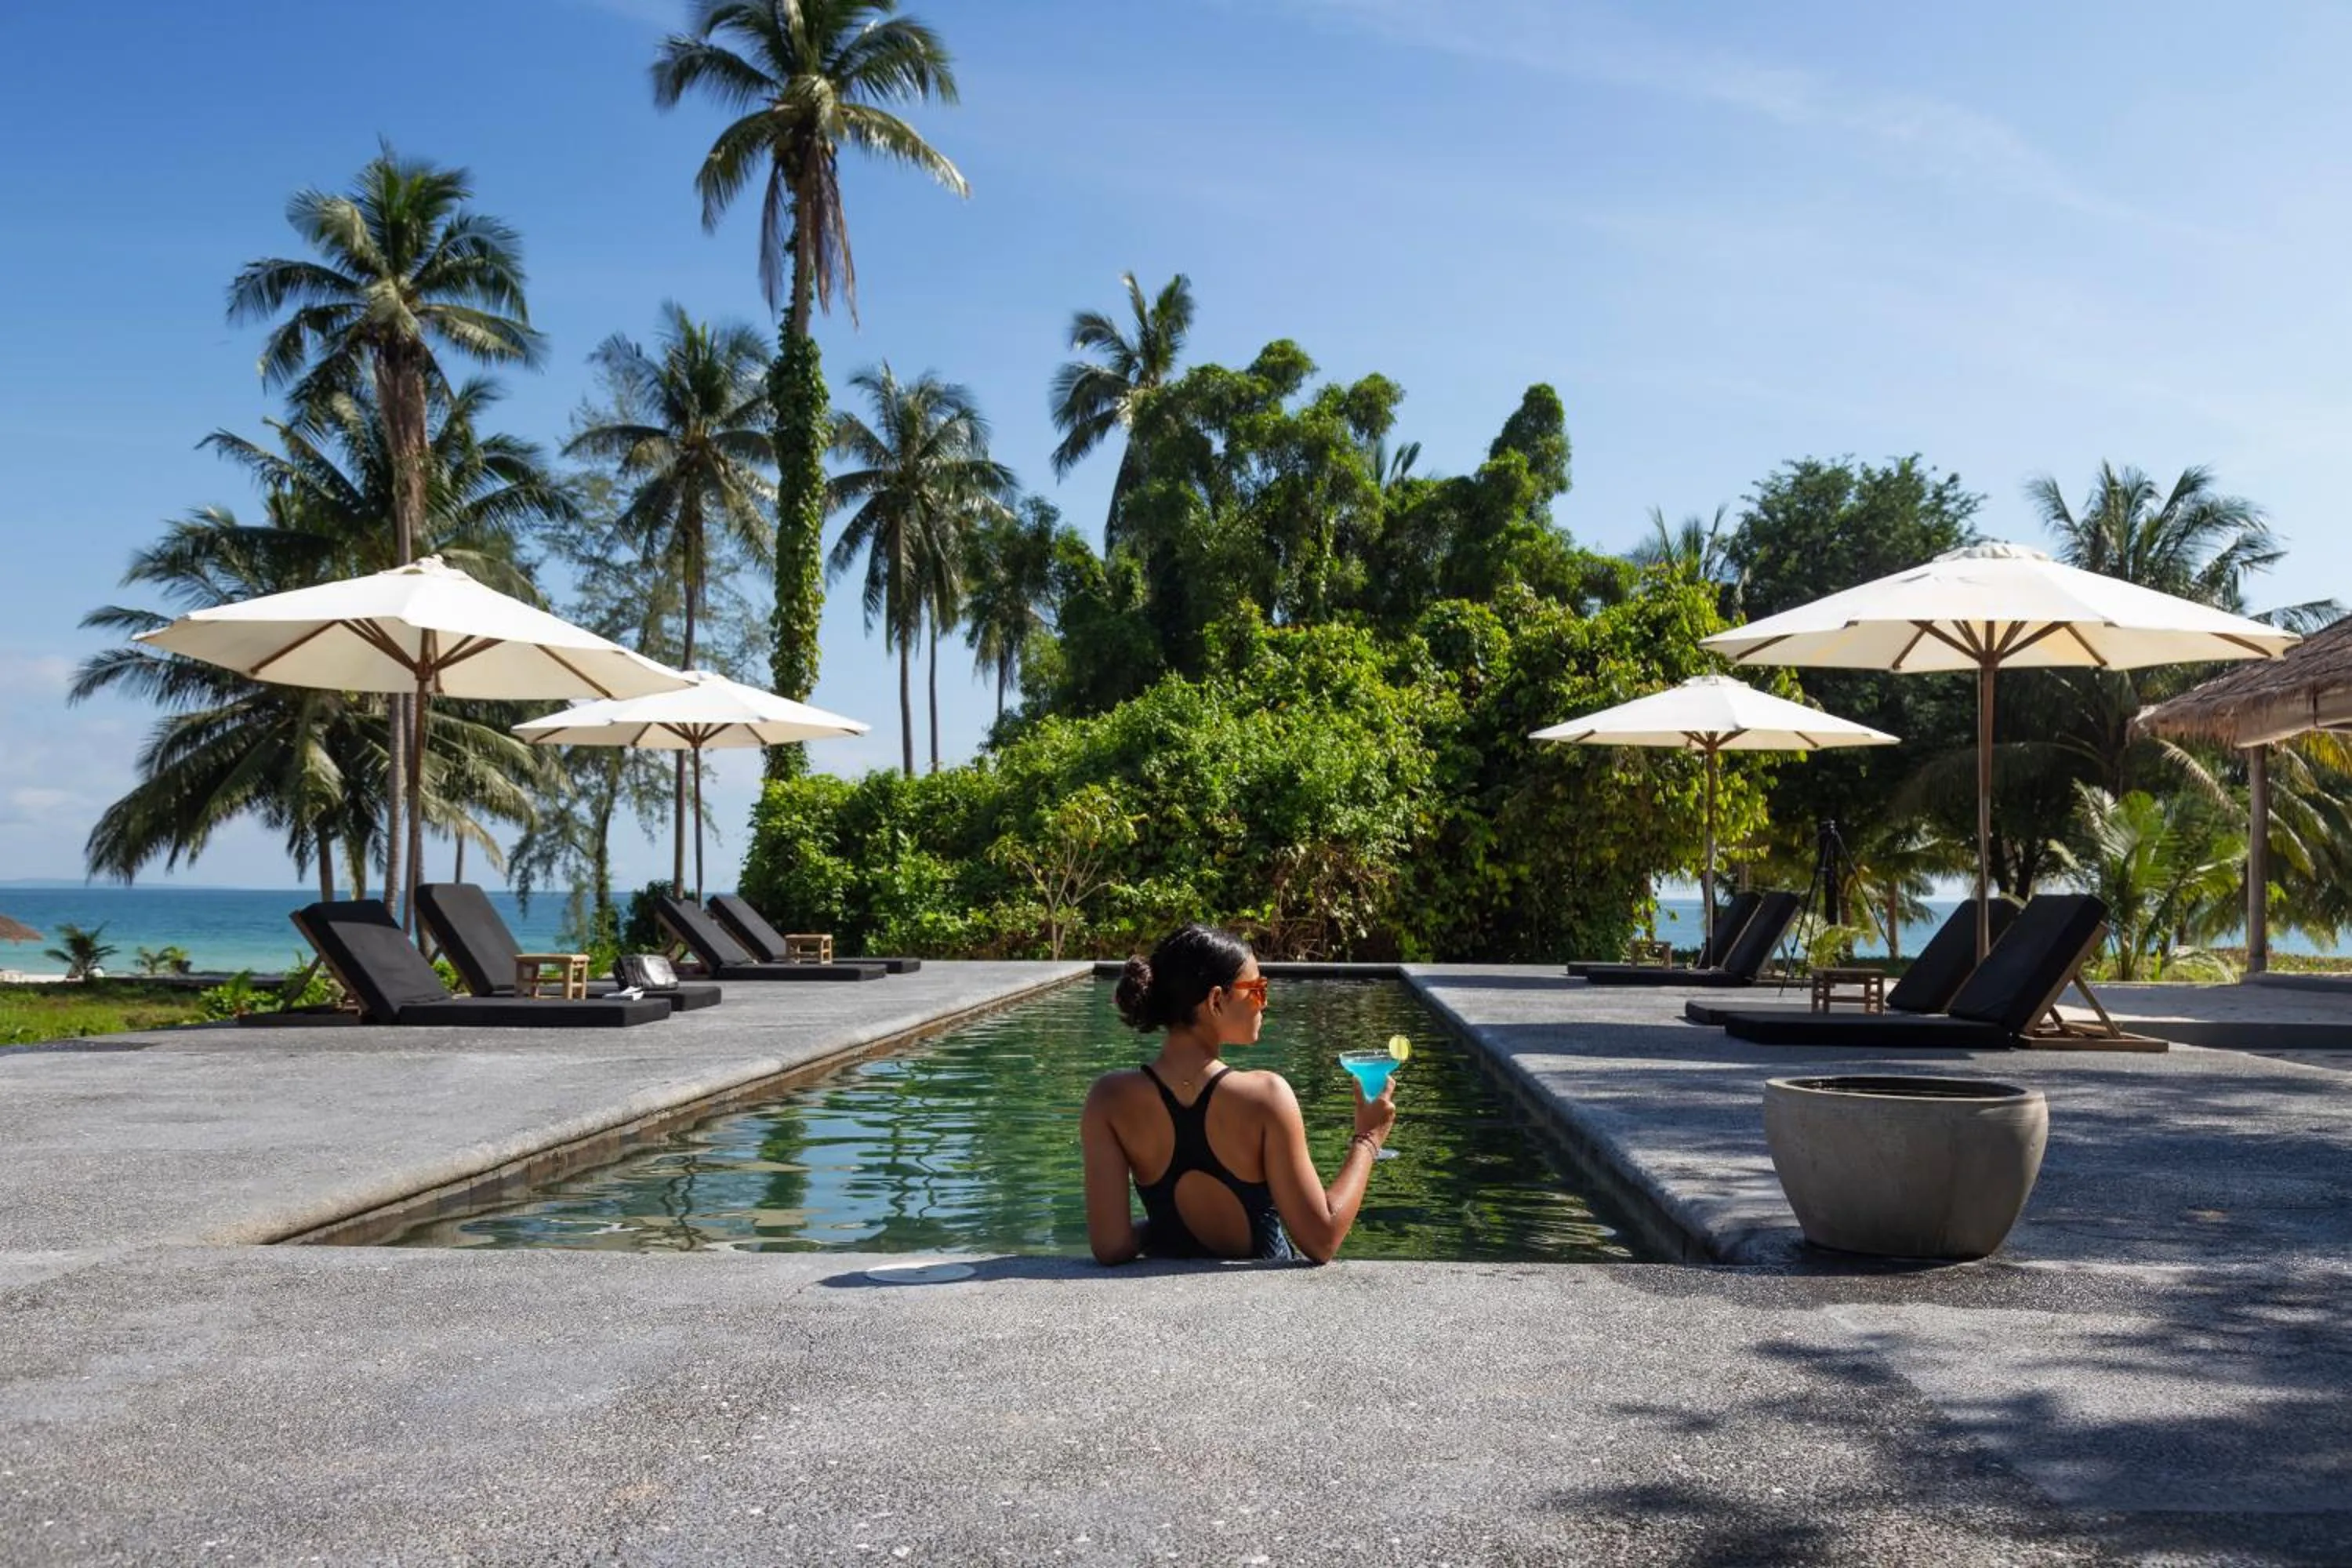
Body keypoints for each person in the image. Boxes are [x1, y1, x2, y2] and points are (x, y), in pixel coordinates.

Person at [1080, 924, 1394, 1265]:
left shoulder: (1108, 1099)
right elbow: (1322, 1240)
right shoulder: (1266, 1097)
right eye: (1257, 989)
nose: (1265, 1003)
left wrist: (1163, 1226)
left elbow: (1111, 1247)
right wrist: (1368, 1138)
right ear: (1216, 1000)